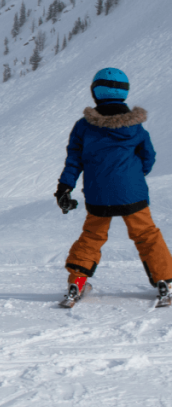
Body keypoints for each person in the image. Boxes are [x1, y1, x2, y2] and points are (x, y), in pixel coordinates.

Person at [56, 69, 172, 306]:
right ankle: (166, 282)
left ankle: (76, 283)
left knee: (92, 236)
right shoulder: (136, 127)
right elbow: (148, 156)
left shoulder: (84, 126)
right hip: (132, 192)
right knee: (147, 235)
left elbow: (74, 160)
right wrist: (136, 175)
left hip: (99, 195)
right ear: (124, 93)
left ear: (95, 92)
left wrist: (64, 187)